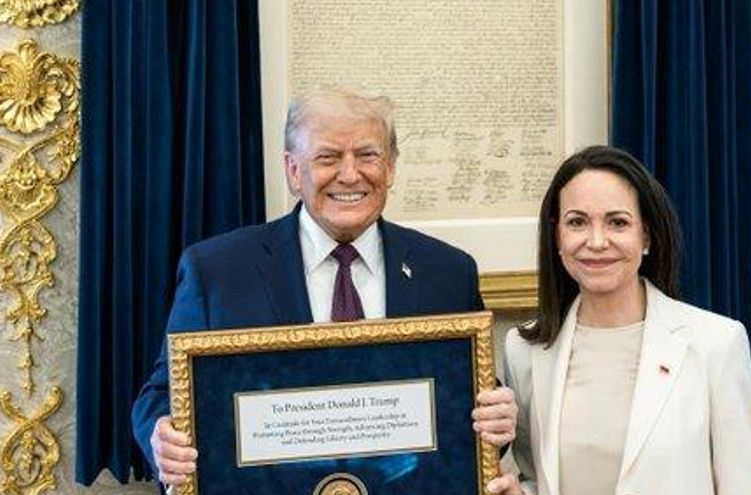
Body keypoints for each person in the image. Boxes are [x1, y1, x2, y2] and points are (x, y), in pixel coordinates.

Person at [131, 88, 517, 489]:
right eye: (328, 157)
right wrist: (162, 437)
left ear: (391, 167)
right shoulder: (218, 272)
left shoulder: (447, 272)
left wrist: (499, 416)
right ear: (293, 170)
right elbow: (161, 394)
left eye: (367, 155)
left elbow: (470, 400)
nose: (350, 175)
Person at [487, 146, 751, 495]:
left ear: (646, 236)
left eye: (617, 222)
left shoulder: (716, 344)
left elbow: (742, 486)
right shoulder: (524, 349)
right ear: (557, 236)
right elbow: (536, 477)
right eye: (577, 222)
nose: (597, 241)